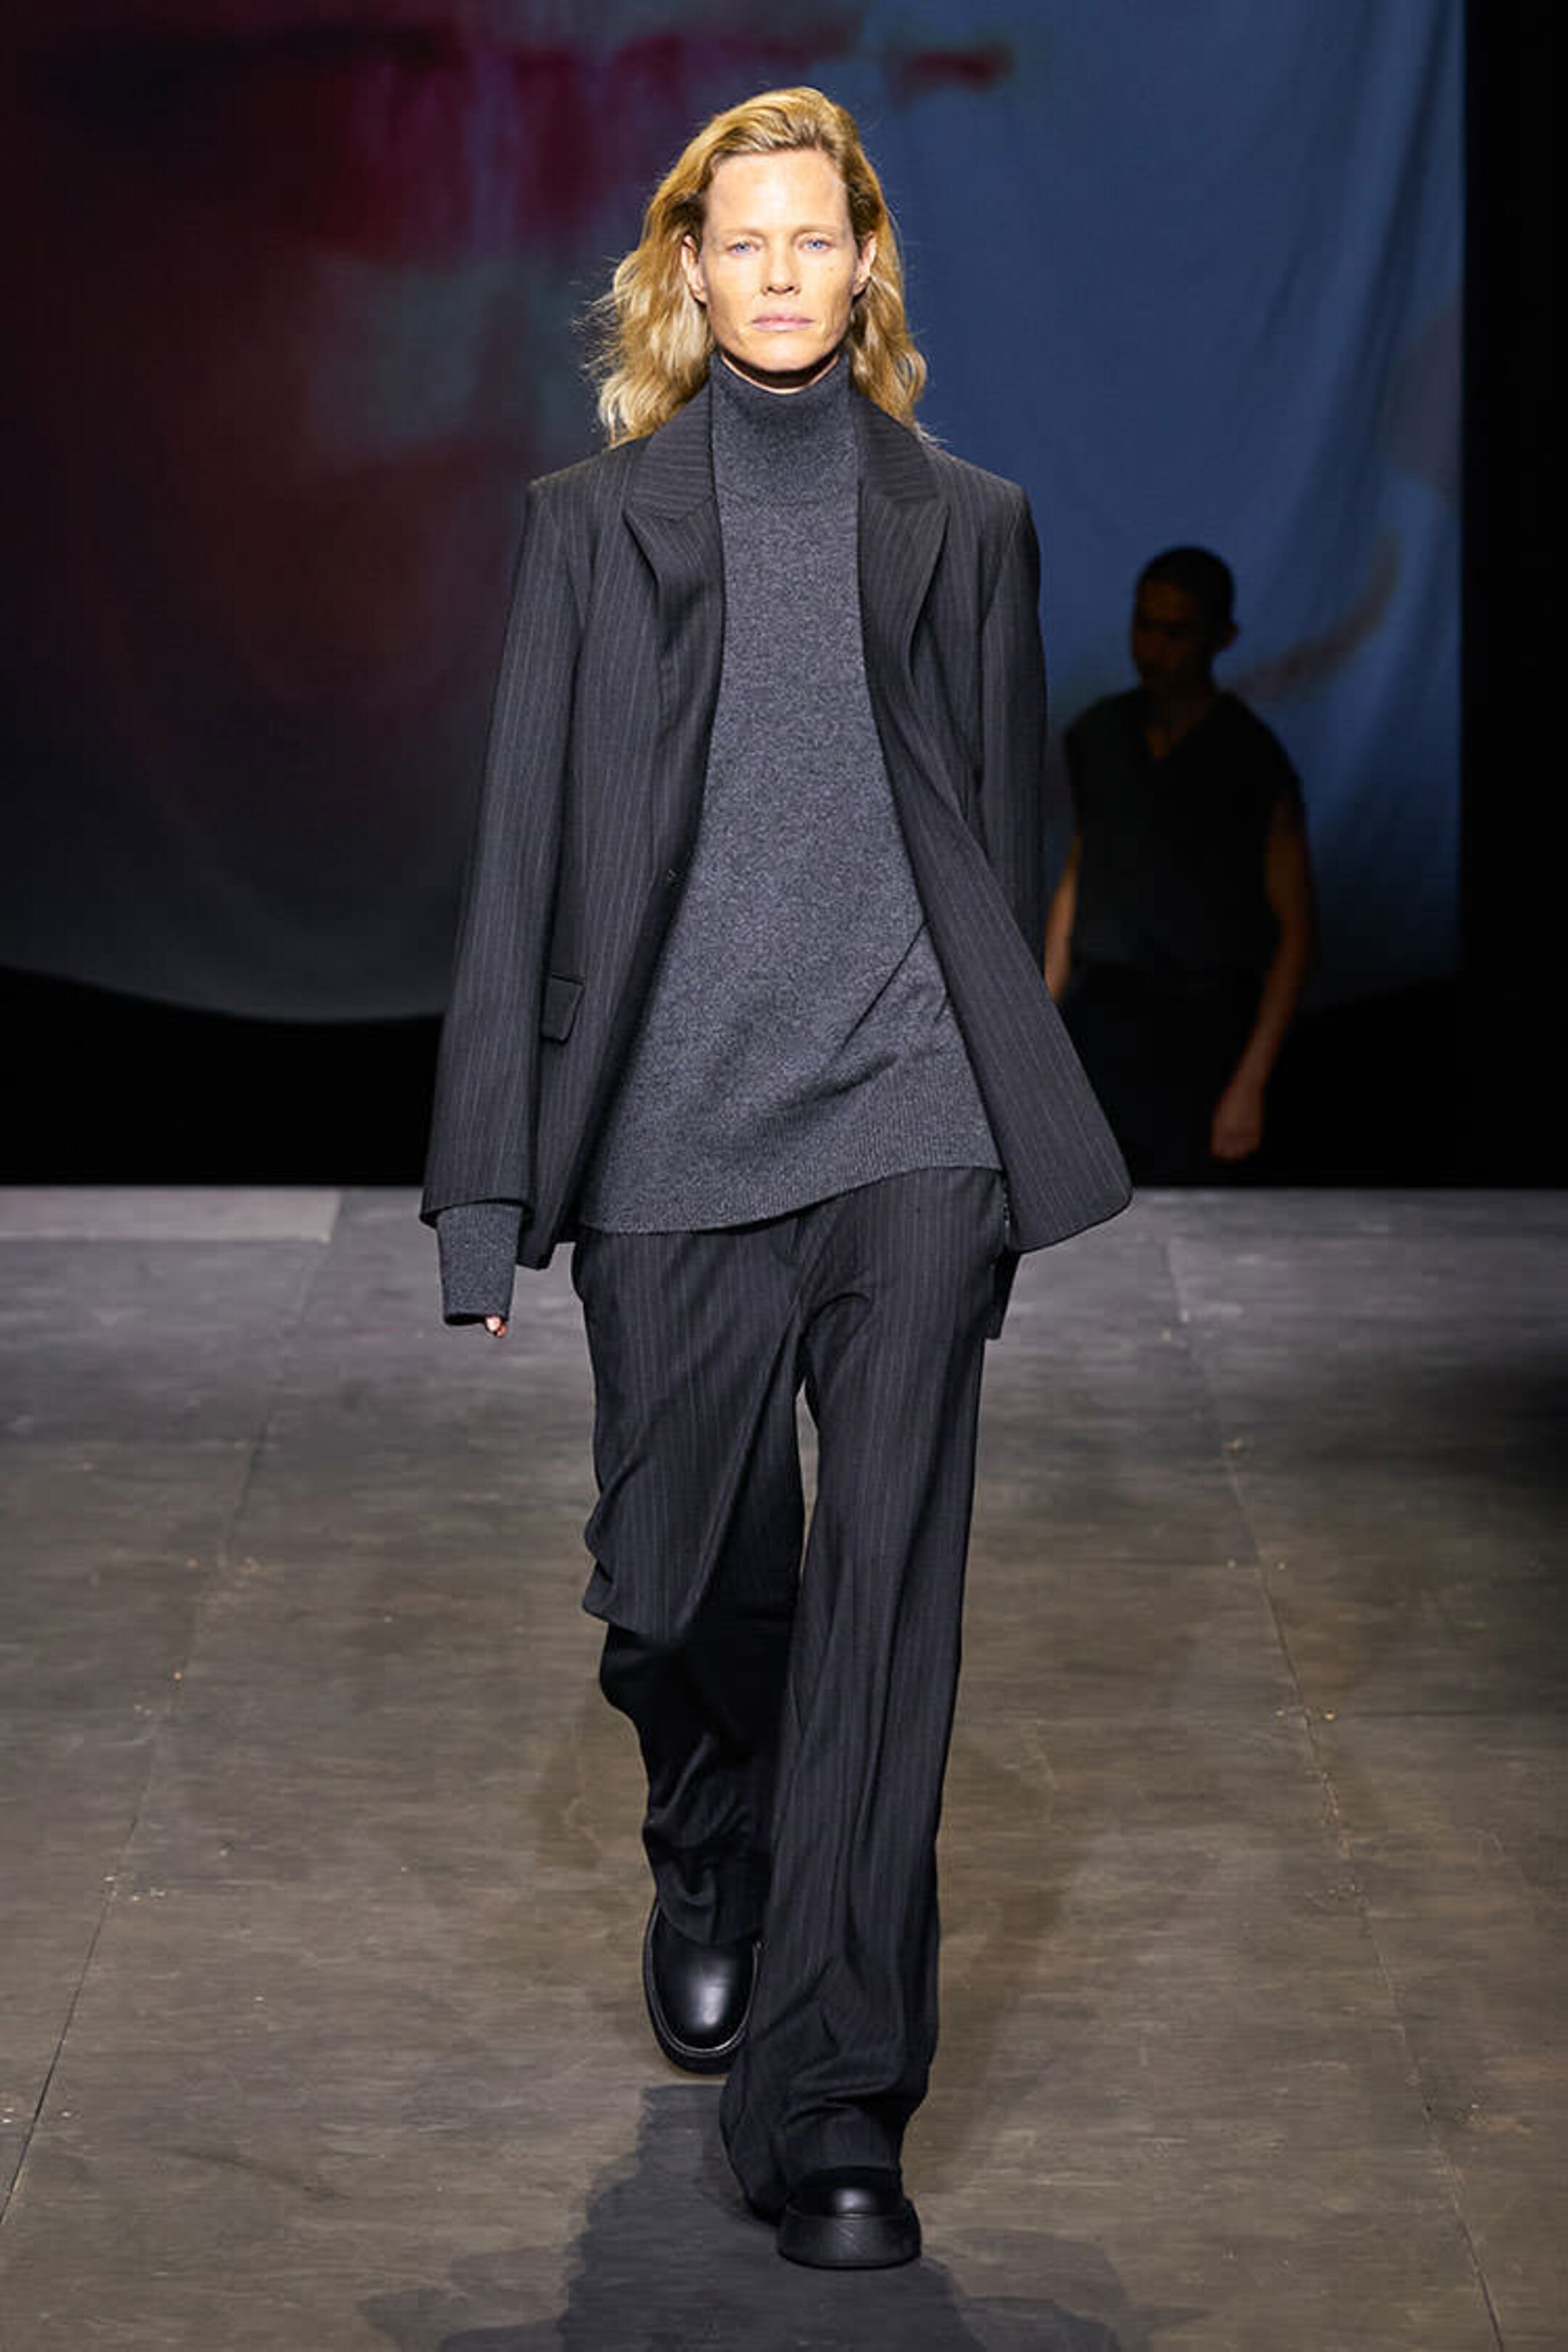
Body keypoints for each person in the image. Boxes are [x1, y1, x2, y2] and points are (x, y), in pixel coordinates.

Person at [422, 86, 1128, 2271]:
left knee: (886, 1613)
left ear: (865, 261)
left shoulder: (972, 527)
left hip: (913, 1128)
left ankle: (834, 2108)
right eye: (743, 242)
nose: (783, 274)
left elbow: (997, 843)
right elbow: (525, 856)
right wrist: (484, 1191)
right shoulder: (591, 527)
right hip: (665, 1135)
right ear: (687, 268)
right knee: (677, 1582)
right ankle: (709, 1828)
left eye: (816, 238)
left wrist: (995, 1139)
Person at [1044, 548, 1317, 1181]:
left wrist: (1251, 1081)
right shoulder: (1099, 735)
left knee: (1197, 1221)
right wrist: (1041, 1029)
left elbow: (1298, 935)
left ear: (1221, 638)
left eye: (1176, 632)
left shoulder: (1251, 756)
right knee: (1083, 1210)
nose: (1154, 648)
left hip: (1206, 1030)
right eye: (1144, 625)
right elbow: (1080, 875)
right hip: (1103, 1019)